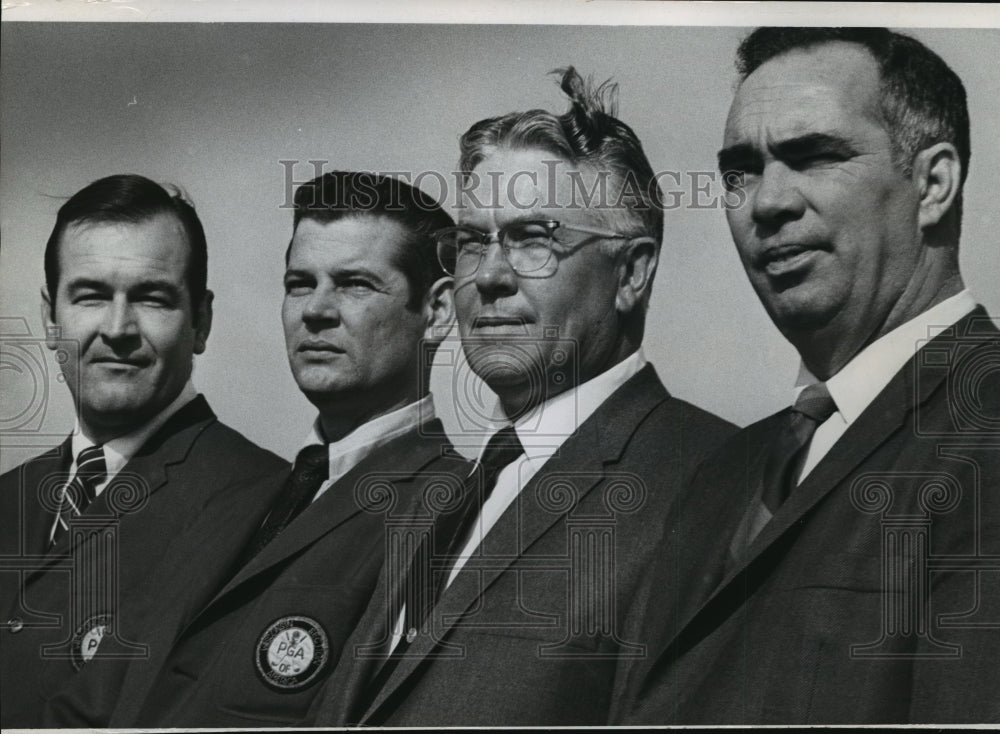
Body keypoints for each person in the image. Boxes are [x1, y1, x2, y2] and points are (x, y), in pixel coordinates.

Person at [310, 67, 736, 727]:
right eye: (474, 242)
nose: (489, 276)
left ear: (632, 272)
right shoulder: (444, 496)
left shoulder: (713, 486)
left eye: (535, 240)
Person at [621, 27, 1000, 725]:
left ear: (935, 184)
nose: (767, 203)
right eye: (740, 171)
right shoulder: (723, 473)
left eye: (816, 156)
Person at [43, 171, 472, 727]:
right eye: (299, 283)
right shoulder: (237, 499)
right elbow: (91, 705)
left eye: (355, 284)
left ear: (437, 311)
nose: (315, 310)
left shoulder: (452, 510)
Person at [0, 174, 287, 728]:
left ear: (200, 321)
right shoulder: (6, 497)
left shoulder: (264, 502)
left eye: (151, 298)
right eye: (91, 296)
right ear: (50, 317)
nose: (117, 328)